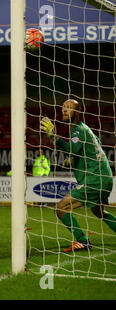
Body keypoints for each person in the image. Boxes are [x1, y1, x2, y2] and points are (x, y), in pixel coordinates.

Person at [40, 99, 116, 252]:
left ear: (77, 112)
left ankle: (82, 241)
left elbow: (70, 149)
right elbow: (96, 145)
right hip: (105, 177)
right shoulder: (85, 129)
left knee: (61, 208)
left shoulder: (77, 130)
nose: (65, 110)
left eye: (69, 108)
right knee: (99, 211)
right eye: (63, 108)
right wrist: (75, 159)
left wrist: (54, 136)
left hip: (95, 178)